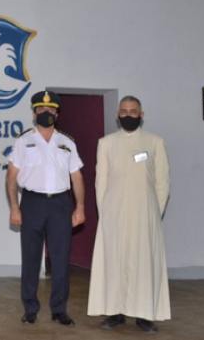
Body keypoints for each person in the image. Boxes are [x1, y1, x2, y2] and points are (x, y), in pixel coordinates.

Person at [87, 96, 170, 333]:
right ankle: (115, 312)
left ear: (141, 115)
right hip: (113, 214)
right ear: (117, 115)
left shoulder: (155, 142)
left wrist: (154, 213)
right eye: (124, 111)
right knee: (114, 262)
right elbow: (101, 182)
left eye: (133, 111)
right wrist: (106, 213)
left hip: (145, 215)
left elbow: (162, 182)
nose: (128, 115)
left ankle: (144, 315)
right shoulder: (106, 143)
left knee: (144, 264)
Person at [6, 90, 86, 326]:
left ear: (57, 114)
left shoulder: (67, 142)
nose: (46, 112)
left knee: (60, 260)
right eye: (41, 109)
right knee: (30, 259)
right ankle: (30, 309)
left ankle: (59, 309)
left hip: (61, 204)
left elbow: (77, 177)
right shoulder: (23, 141)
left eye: (51, 109)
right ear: (34, 113)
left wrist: (80, 207)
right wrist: (14, 207)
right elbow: (11, 178)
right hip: (32, 203)